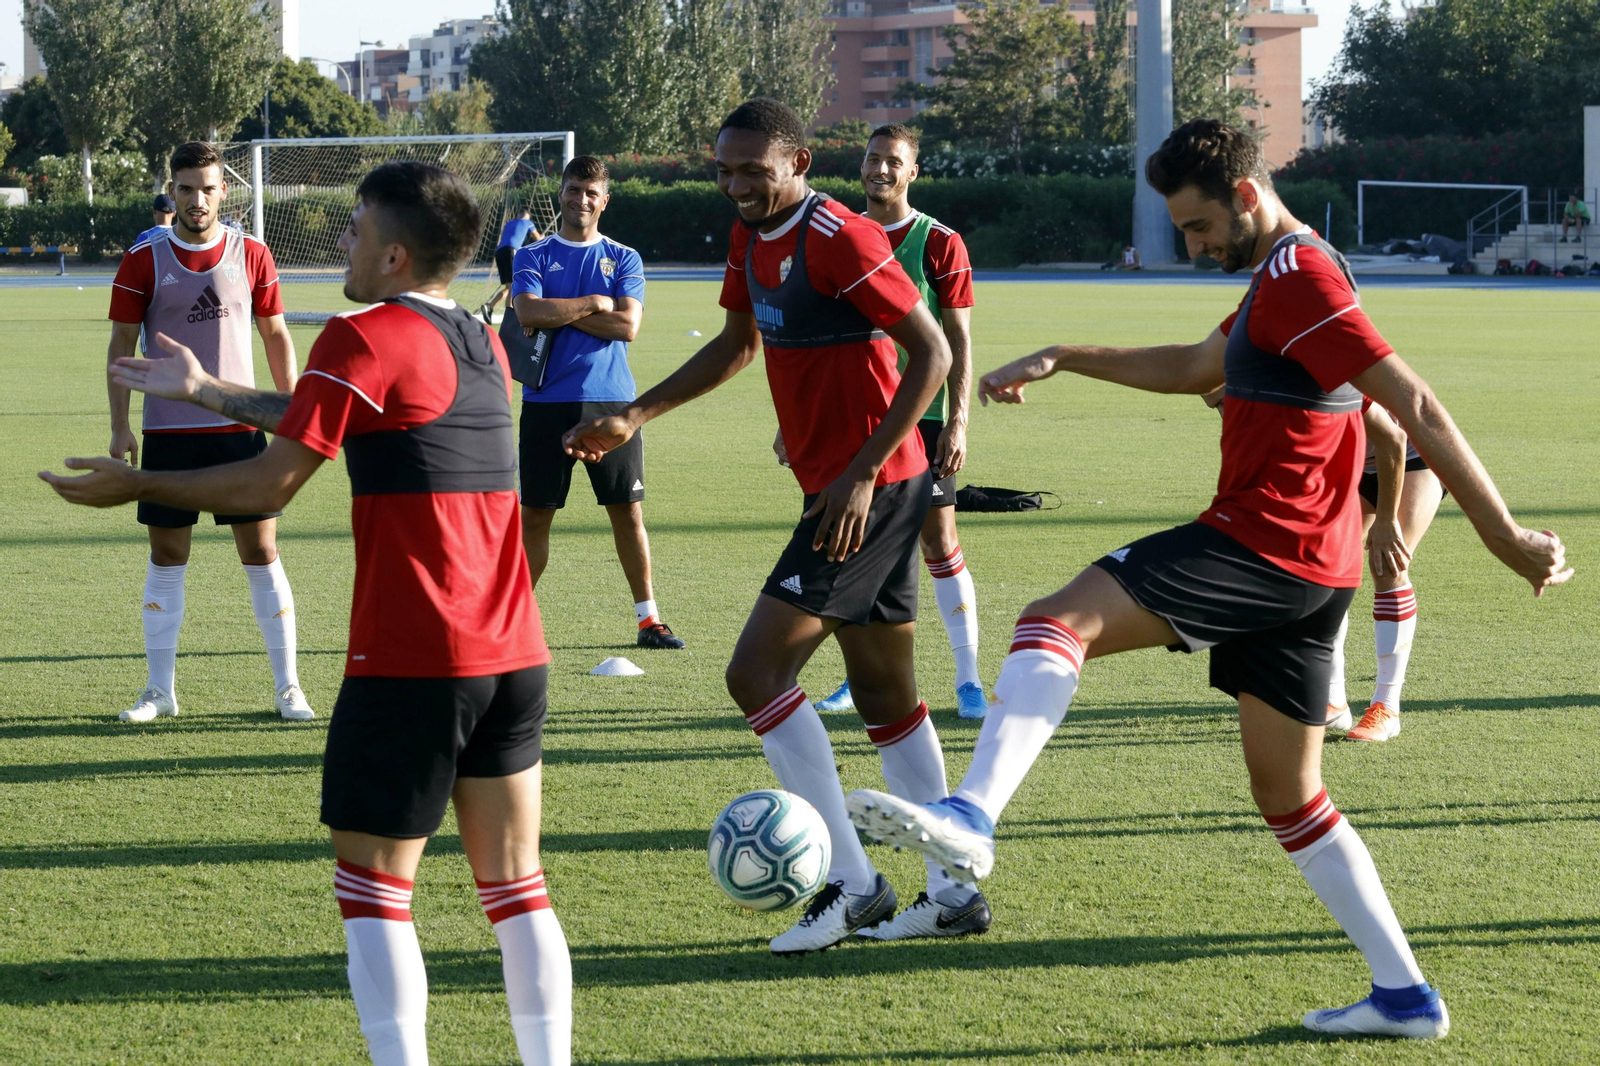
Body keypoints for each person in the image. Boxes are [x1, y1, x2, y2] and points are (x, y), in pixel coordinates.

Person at [846, 119, 1571, 1038]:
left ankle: (973, 815)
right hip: (1316, 572)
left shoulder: (1301, 274)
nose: (1190, 245)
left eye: (1195, 227)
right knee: (1291, 796)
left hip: (1262, 546)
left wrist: (1502, 535)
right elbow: (1199, 365)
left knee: (1057, 621)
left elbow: (1413, 402)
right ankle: (1405, 996)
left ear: (1244, 196)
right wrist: (1065, 354)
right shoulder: (1279, 277)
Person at [44, 160, 574, 1066]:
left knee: (374, 890)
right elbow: (329, 412)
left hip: (415, 658)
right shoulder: (480, 340)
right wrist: (207, 390)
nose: (342, 241)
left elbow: (270, 478)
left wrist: (140, 482)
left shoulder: (362, 334)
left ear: (395, 254)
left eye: (357, 228)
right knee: (516, 887)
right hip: (513, 656)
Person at [562, 99, 978, 954]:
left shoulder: (841, 236)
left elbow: (931, 352)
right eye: (724, 169)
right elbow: (736, 346)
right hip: (842, 487)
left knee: (755, 673)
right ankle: (954, 891)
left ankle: (851, 886)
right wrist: (635, 414)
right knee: (886, 696)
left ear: (799, 160)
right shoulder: (750, 237)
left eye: (754, 169)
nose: (736, 184)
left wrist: (861, 472)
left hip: (868, 492)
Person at [106, 141, 311, 723]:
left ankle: (288, 687)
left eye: (208, 187)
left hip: (240, 427)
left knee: (262, 550)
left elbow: (275, 335)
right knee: (168, 556)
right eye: (187, 188)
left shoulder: (251, 252)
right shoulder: (142, 259)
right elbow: (121, 347)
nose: (198, 199)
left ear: (225, 191)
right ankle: (158, 691)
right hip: (169, 434)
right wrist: (121, 426)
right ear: (171, 192)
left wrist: (289, 408)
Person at [812, 122, 986, 725]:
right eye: (871, 159)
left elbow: (957, 341)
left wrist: (959, 420)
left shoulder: (939, 242)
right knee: (856, 546)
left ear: (912, 172)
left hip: (925, 417)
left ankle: (968, 679)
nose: (879, 170)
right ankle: (860, 677)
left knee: (939, 542)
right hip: (855, 418)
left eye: (893, 162)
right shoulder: (837, 233)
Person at [508, 155, 685, 650]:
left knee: (626, 511)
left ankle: (649, 619)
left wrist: (557, 314)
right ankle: (510, 623)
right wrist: (594, 302)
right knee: (537, 515)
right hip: (545, 401)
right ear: (561, 193)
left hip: (613, 402)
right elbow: (526, 309)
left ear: (604, 201)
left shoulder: (624, 258)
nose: (581, 199)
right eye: (573, 189)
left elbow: (627, 326)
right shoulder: (534, 255)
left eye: (591, 192)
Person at [1324, 402, 1448, 742]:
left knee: (1387, 562)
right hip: (1353, 463)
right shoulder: (1260, 375)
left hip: (1412, 454)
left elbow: (1394, 439)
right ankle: (1332, 701)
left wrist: (1386, 519)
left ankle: (1387, 708)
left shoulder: (1329, 368)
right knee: (1325, 567)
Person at [482, 206, 540, 324]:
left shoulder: (509, 223)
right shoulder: (528, 223)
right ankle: (509, 315)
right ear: (527, 215)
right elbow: (538, 239)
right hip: (511, 251)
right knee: (513, 287)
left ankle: (490, 306)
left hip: (499, 252)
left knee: (509, 287)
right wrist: (543, 237)